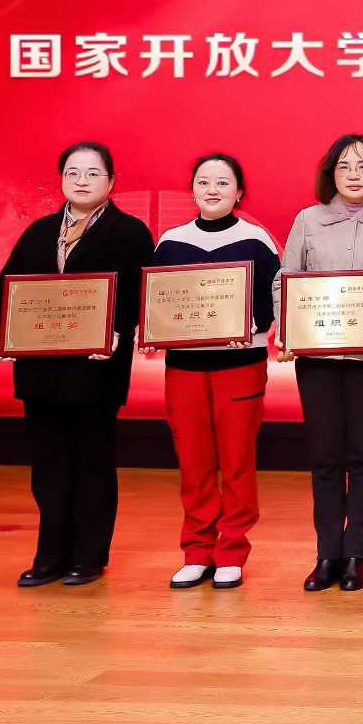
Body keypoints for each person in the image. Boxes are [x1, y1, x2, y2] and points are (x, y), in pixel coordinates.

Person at [0, 140, 153, 587]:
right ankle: (50, 556)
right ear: (62, 179)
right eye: (73, 173)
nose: (82, 181)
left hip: (97, 369)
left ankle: (89, 557)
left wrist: (119, 330)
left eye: (93, 173)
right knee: (48, 465)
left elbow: (143, 292)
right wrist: (0, 332)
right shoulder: (39, 231)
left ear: (111, 181)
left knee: (92, 462)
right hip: (41, 373)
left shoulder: (131, 233)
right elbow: (6, 285)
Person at [273, 134, 363, 593]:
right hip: (318, 358)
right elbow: (286, 280)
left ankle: (356, 554)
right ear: (331, 174)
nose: (354, 174)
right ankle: (326, 554)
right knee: (325, 457)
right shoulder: (307, 220)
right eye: (344, 166)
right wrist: (289, 329)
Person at [143, 153, 281, 590]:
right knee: (194, 463)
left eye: (223, 182)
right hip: (185, 368)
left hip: (240, 365)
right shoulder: (171, 242)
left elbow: (274, 298)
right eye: (203, 181)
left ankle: (232, 550)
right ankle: (197, 550)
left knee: (237, 462)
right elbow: (157, 303)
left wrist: (251, 326)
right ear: (193, 190)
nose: (212, 189)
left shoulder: (256, 240)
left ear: (239, 192)